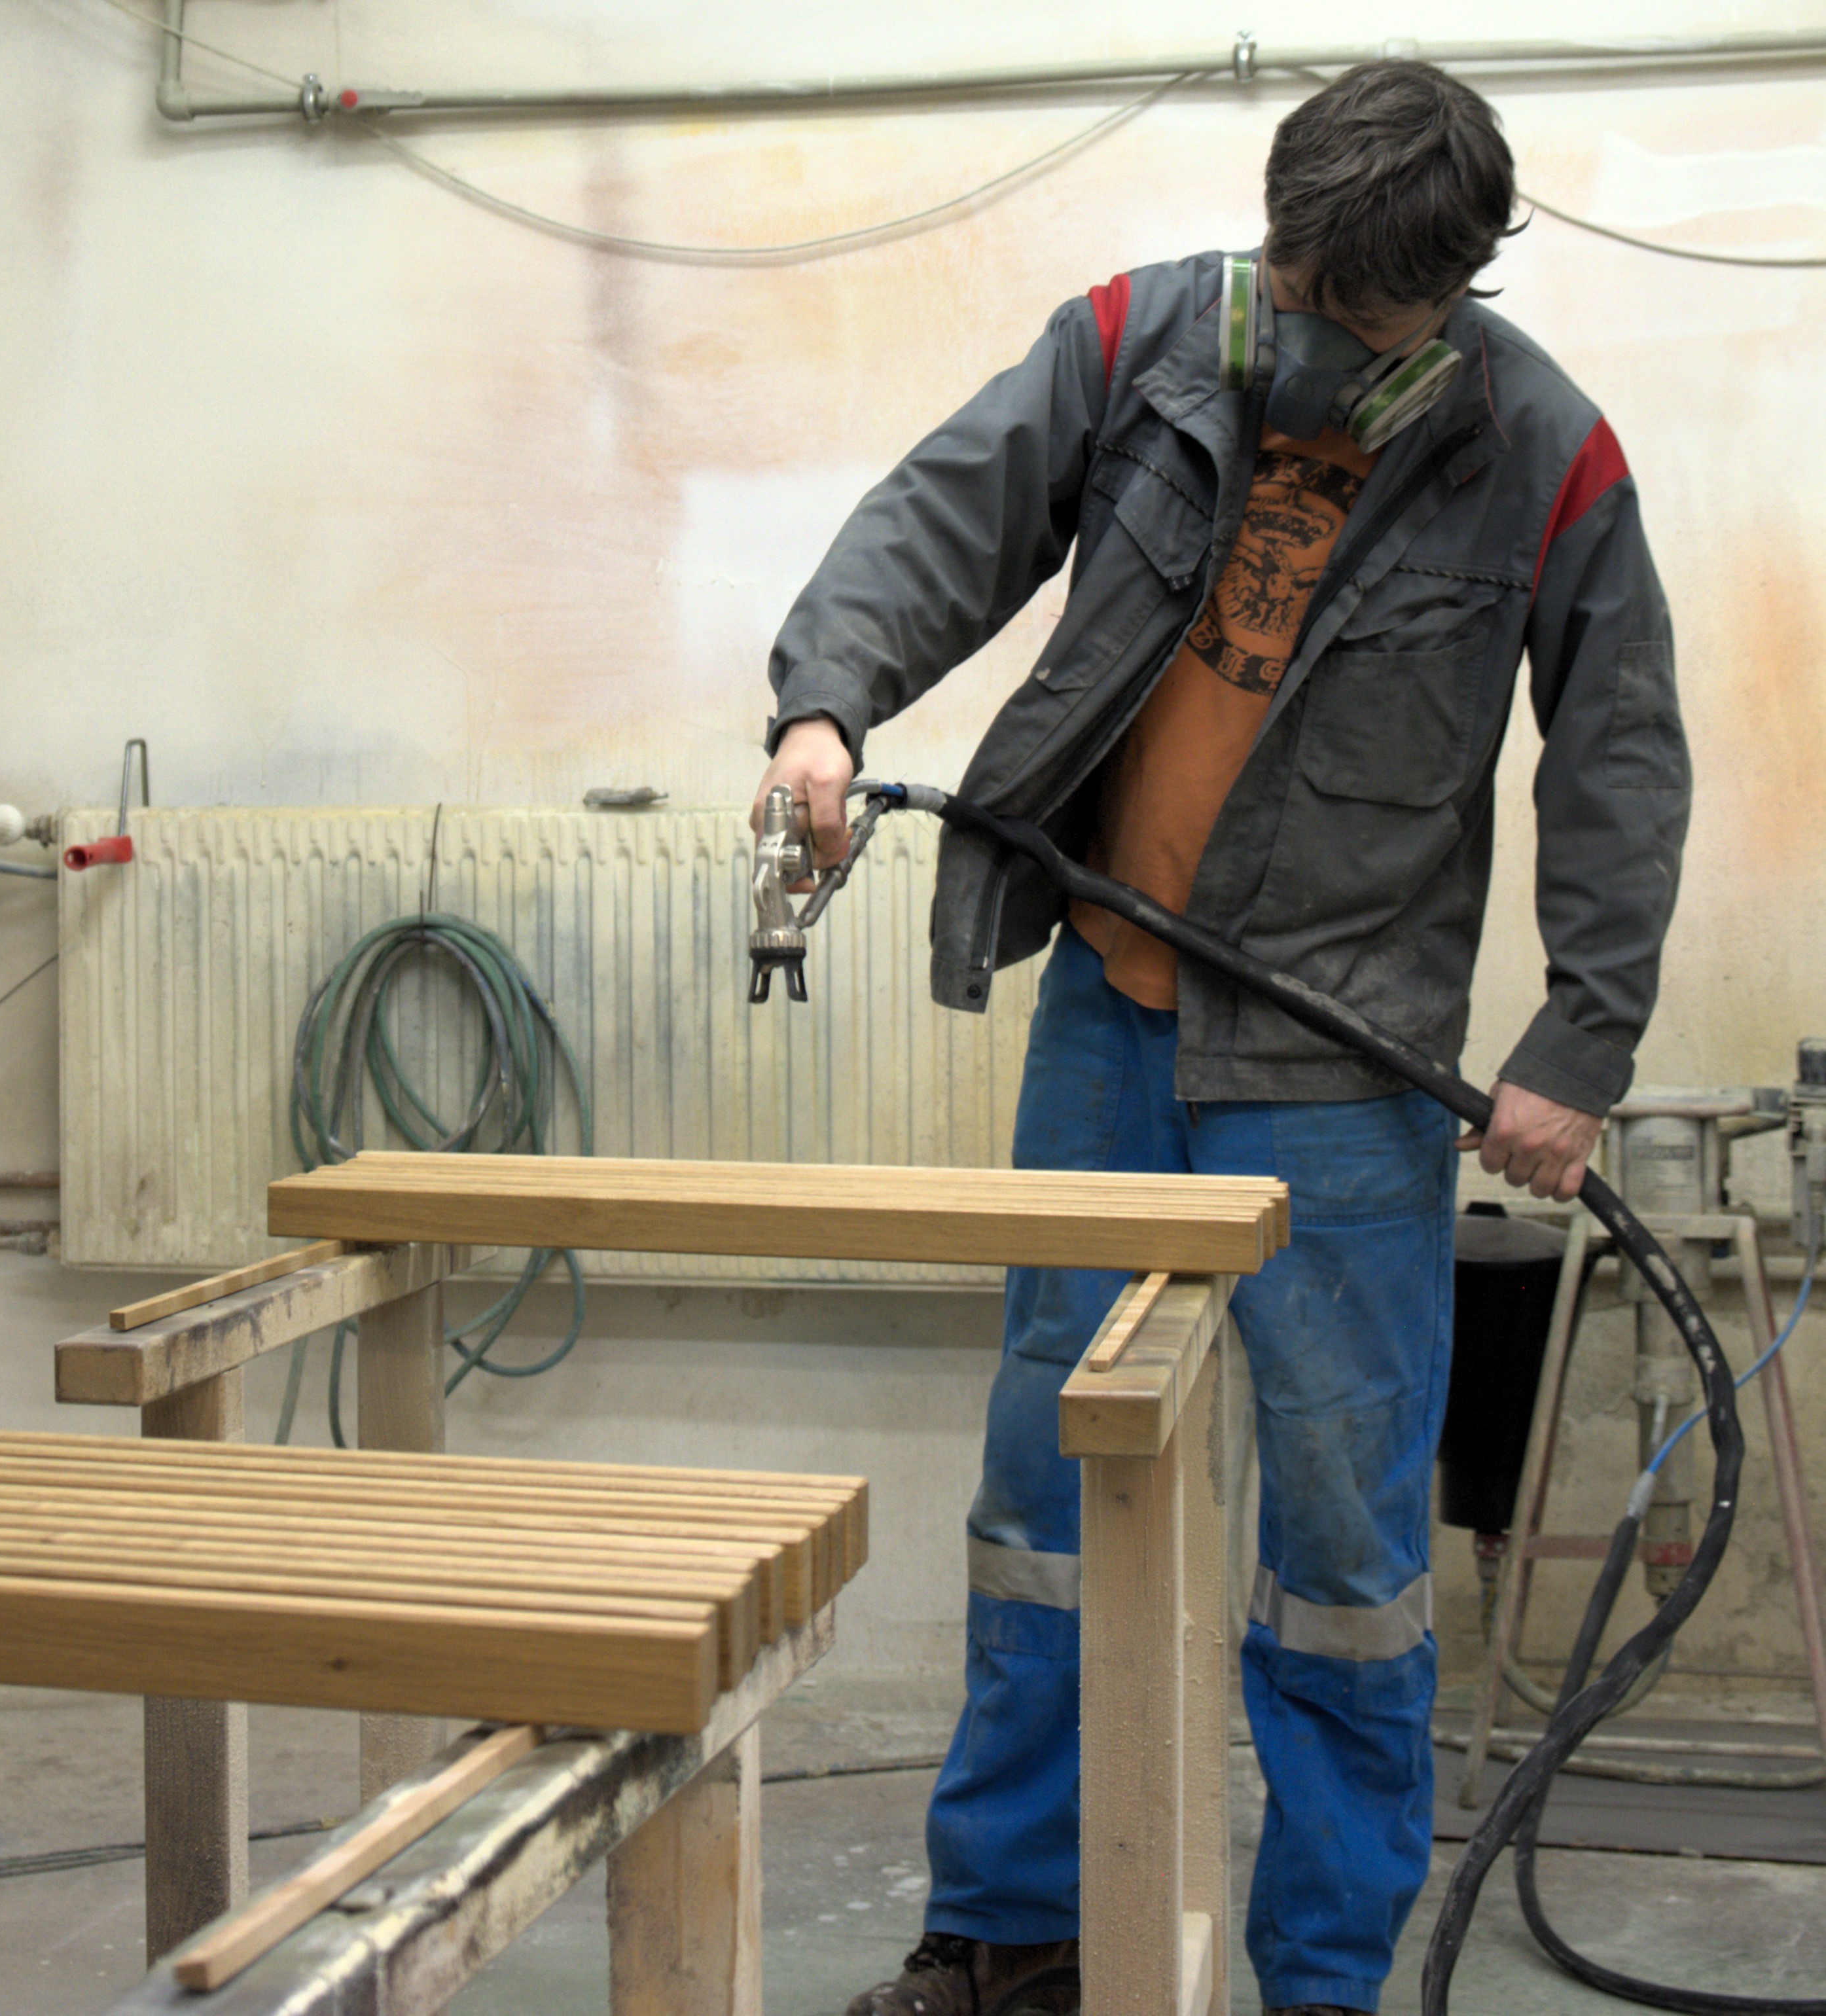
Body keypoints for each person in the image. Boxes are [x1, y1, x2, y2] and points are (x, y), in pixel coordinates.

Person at [751, 61, 1687, 2016]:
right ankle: (1008, 1936)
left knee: (1342, 1565)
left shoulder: (1545, 454)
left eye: (1365, 320)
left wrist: (1577, 1043)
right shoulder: (1144, 344)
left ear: (1455, 288)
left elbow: (1615, 751)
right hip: (1111, 1015)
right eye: (1302, 291)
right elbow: (942, 517)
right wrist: (825, 704)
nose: (1317, 344)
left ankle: (1320, 1980)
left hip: (1344, 1076)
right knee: (1044, 1499)